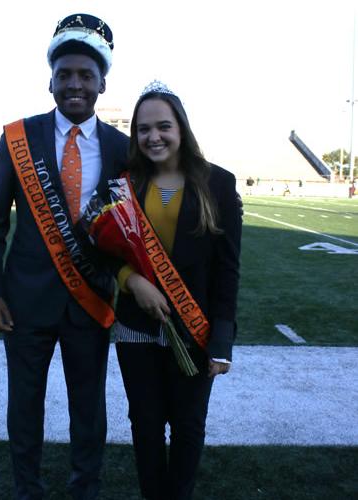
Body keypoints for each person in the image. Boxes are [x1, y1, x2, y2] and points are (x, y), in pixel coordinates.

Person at [0, 14, 128, 500]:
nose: (75, 84)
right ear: (50, 81)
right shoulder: (19, 139)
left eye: (86, 74)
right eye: (65, 74)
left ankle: (85, 488)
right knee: (25, 406)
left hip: (92, 300)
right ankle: (28, 490)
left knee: (89, 409)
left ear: (103, 82)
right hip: (24, 302)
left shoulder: (123, 148)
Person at [113, 81, 242, 500]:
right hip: (135, 327)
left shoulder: (218, 184)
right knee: (145, 425)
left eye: (163, 126)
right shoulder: (123, 183)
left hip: (195, 328)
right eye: (143, 129)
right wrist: (131, 281)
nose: (153, 137)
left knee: (188, 427)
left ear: (181, 129)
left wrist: (220, 342)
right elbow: (100, 250)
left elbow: (227, 270)